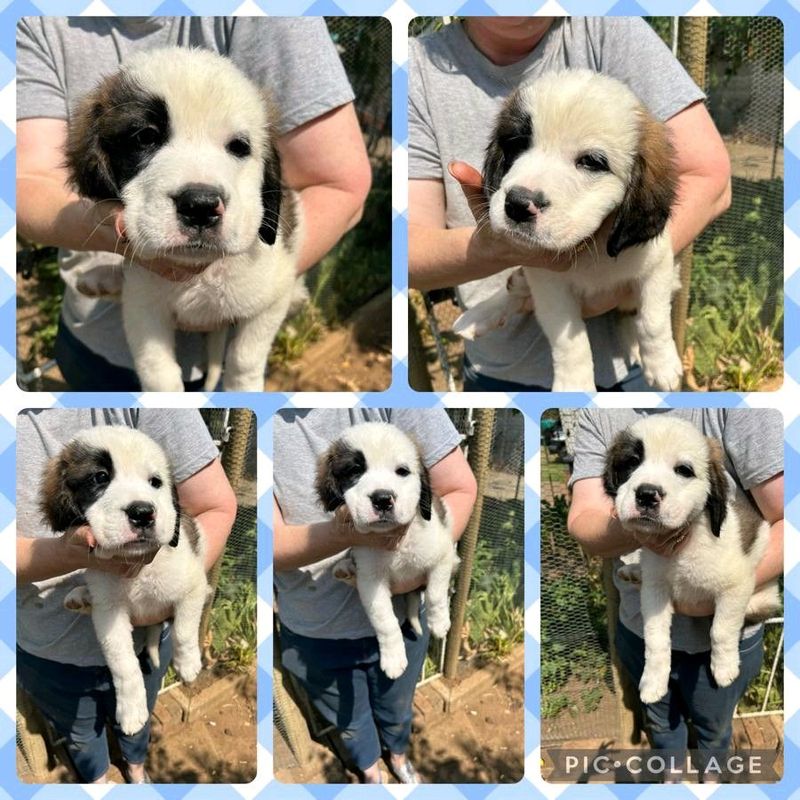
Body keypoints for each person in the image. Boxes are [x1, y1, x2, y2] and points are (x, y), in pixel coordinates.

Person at [17, 16, 371, 390]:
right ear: (98, 159)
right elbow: (27, 178)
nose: (201, 198)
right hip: (92, 337)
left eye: (237, 146)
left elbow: (340, 186)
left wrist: (246, 367)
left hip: (224, 363)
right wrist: (106, 230)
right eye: (146, 137)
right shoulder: (35, 20)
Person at [408, 17, 732, 391]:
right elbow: (541, 269)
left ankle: (511, 296)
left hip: (624, 370)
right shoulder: (417, 68)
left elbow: (700, 191)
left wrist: (654, 338)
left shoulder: (609, 27)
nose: (528, 188)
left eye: (591, 161)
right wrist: (491, 250)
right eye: (521, 144)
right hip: (498, 370)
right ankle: (510, 297)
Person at [16, 409, 238, 783]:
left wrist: (181, 640)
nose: (140, 502)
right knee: (82, 733)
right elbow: (110, 606)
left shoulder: (152, 407)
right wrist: (65, 553)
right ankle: (99, 778)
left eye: (154, 482)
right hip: (45, 650)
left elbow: (200, 561)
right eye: (101, 478)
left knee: (138, 718)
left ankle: (136, 769)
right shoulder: (61, 474)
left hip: (144, 635)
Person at [567, 408, 783, 780]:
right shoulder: (598, 415)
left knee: (713, 730)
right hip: (639, 629)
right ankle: (671, 779)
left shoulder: (737, 413)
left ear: (713, 493)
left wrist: (719, 634)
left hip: (720, 637)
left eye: (683, 470)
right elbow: (585, 519)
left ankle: (711, 778)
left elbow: (742, 571)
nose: (649, 486)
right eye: (633, 464)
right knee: (661, 725)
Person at [273, 408, 477, 783]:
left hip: (405, 620)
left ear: (420, 486)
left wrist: (424, 587)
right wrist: (346, 535)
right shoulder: (272, 431)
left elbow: (459, 493)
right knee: (347, 721)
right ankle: (368, 768)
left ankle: (397, 755)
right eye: (356, 472)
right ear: (334, 487)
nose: (383, 491)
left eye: (402, 473)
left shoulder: (396, 408)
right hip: (314, 629)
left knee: (398, 706)